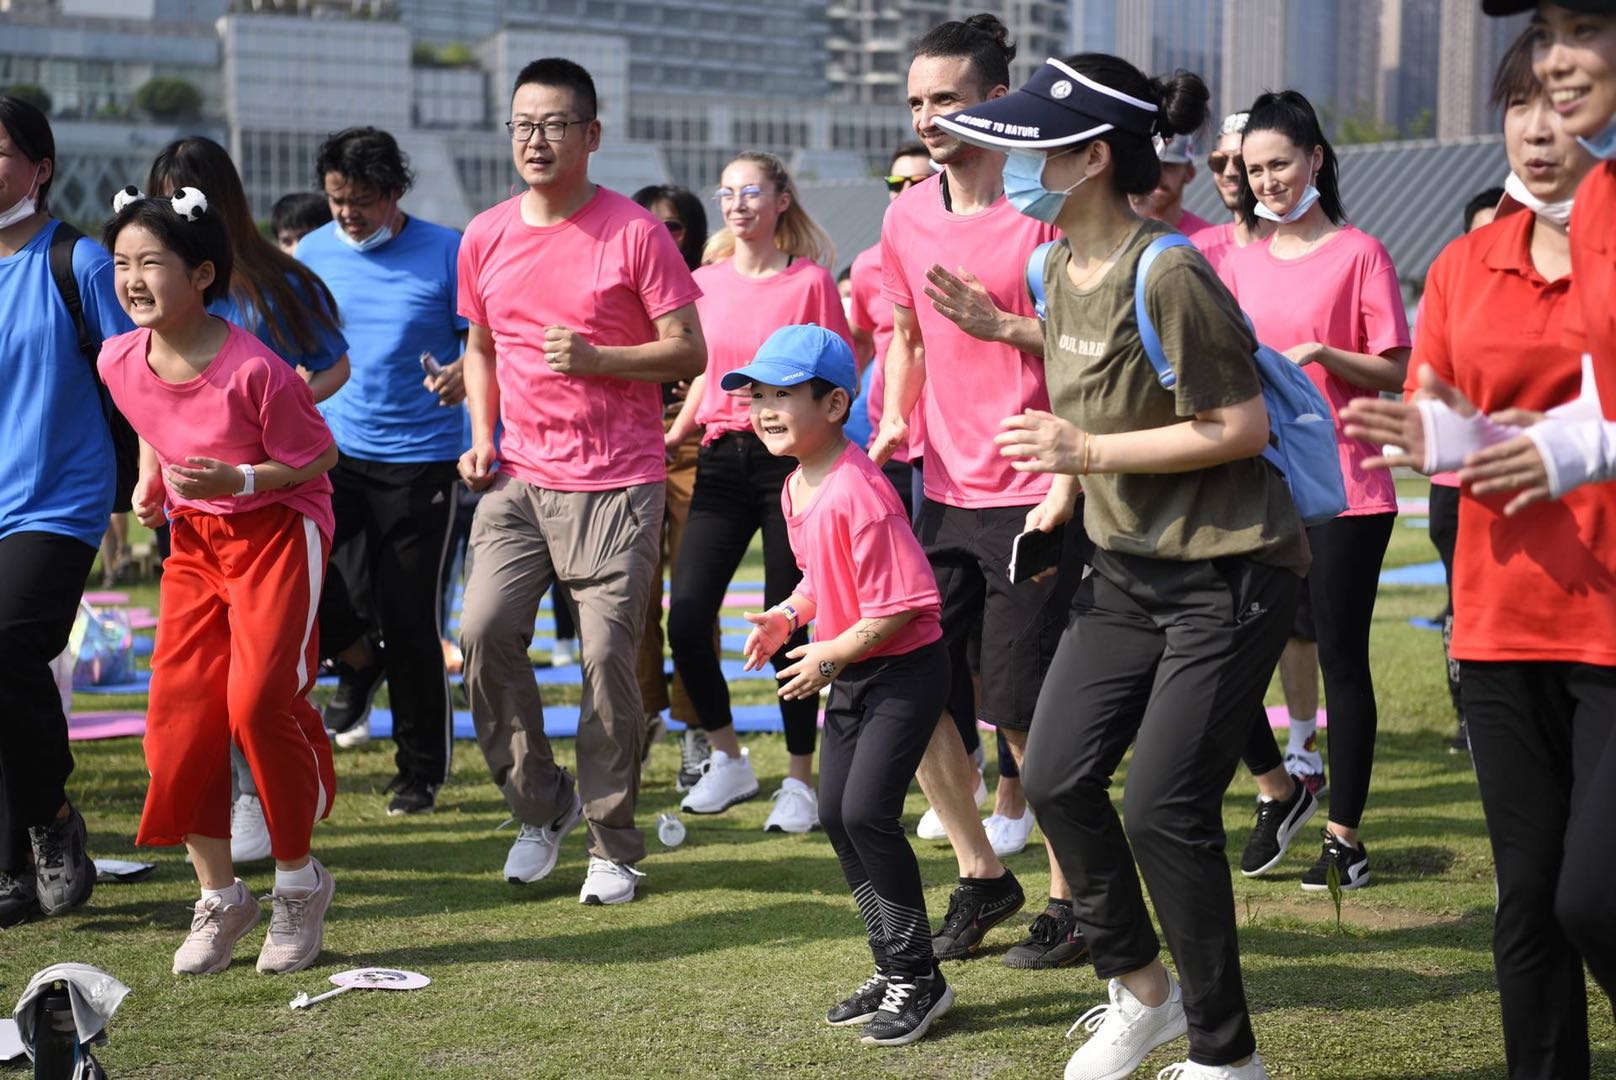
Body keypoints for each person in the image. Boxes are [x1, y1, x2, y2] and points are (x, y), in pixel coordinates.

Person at [942, 53, 1307, 1080]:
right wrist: (1061, 486)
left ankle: (1226, 1057)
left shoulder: (1171, 270)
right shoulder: (1052, 269)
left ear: (1092, 158)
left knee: (1162, 809)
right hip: (1123, 570)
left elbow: (1232, 426)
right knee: (1052, 777)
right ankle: (1144, 993)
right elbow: (1084, 390)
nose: (1011, 169)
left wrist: (1082, 457)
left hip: (1227, 575)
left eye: (1034, 151)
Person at [1345, 6, 1616, 1072]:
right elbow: (1443, 408)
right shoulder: (1462, 264)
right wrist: (1427, 431)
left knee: (1591, 894)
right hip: (1500, 619)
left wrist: (1571, 449)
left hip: (1609, 621)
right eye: (1517, 104)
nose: (1537, 128)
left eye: (1559, 102)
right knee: (1527, 901)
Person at [457, 58, 704, 905]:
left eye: (556, 123)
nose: (536, 138)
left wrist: (602, 359)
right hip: (520, 479)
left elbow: (690, 350)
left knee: (607, 659)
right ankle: (542, 805)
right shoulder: (484, 234)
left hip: (617, 480)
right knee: (484, 634)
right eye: (523, 123)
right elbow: (481, 346)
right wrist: (481, 435)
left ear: (592, 135)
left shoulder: (635, 232)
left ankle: (611, 841)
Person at [872, 13, 1089, 969]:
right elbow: (908, 334)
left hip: (1035, 489)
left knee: (1018, 708)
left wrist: (1008, 330)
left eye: (946, 99)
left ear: (996, 102)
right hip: (941, 489)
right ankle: (981, 873)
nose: (927, 118)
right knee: (906, 687)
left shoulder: (1051, 213)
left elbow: (1097, 347)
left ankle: (1071, 897)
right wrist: (893, 421)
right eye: (917, 101)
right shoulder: (906, 212)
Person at [99, 187, 339, 976]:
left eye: (151, 264)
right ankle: (222, 897)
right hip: (196, 541)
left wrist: (236, 480)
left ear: (202, 274)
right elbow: (151, 423)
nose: (132, 278)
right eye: (121, 263)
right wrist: (151, 478)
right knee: (176, 724)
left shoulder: (258, 370)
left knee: (257, 703)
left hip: (277, 529)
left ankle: (300, 885)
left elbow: (319, 457)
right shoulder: (118, 356)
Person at [727, 324, 954, 1045]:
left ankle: (920, 979)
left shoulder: (862, 490)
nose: (763, 408)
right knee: (836, 814)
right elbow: (823, 579)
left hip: (904, 671)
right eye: (756, 394)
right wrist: (787, 616)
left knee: (868, 816)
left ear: (834, 404)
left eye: (781, 395)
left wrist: (827, 656)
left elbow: (902, 604)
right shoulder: (798, 485)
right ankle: (895, 967)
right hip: (856, 668)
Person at [1220, 89, 1411, 891]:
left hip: (1347, 490)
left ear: (1316, 161)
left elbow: (1397, 372)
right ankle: (1280, 789)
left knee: (1341, 658)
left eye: (1280, 164)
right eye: (1253, 168)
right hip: (1252, 489)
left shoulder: (1360, 253)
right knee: (1218, 657)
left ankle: (1345, 837)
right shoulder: (1232, 260)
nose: (1266, 180)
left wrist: (1326, 355)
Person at [145, 135, 352, 859]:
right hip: (197, 513)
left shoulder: (276, 284)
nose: (177, 210)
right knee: (200, 683)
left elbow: (329, 370)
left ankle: (280, 790)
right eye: (164, 196)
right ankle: (244, 800)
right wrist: (150, 473)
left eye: (189, 196)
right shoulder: (158, 288)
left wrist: (287, 400)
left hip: (277, 502)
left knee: (261, 682)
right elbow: (154, 393)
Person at [664, 151, 850, 833]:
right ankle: (728, 757)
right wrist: (673, 435)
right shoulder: (702, 282)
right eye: (727, 192)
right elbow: (703, 377)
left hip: (788, 463)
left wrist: (831, 463)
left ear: (779, 202)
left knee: (788, 621)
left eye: (752, 192)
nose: (737, 203)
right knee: (685, 618)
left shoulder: (810, 282)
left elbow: (838, 373)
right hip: (717, 459)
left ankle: (799, 779)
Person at [296, 127, 468, 817]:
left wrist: (464, 373)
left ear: (394, 192)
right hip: (332, 455)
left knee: (411, 619)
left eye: (361, 201)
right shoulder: (310, 254)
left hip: (422, 463)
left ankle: (420, 770)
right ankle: (357, 659)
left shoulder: (447, 251)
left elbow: (484, 345)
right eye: (337, 199)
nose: (347, 213)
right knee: (299, 586)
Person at [0, 95, 127, 928]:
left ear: (40, 168)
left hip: (57, 500)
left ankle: (48, 824)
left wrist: (147, 485)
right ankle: (15, 859)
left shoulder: (76, 262)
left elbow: (135, 374)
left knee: (7, 640)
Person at [628, 183, 712, 785]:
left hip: (694, 446)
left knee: (691, 599)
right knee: (626, 598)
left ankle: (696, 725)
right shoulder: (615, 281)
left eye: (674, 226)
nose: (661, 234)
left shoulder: (711, 287)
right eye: (649, 223)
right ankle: (638, 717)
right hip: (626, 443)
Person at [1429, 184, 1506, 757]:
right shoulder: (1452, 290)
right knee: (1464, 604)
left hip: (1522, 478)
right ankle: (1468, 718)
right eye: (1478, 230)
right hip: (1455, 486)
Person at [847, 142, 932, 518]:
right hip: (890, 437)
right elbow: (861, 341)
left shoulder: (963, 250)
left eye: (919, 181)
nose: (904, 191)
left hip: (948, 440)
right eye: (896, 182)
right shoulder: (866, 266)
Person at [1130, 128, 1228, 260]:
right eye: (1150, 165)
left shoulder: (1213, 242)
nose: (1157, 175)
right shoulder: (1117, 233)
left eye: (1168, 165)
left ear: (1189, 173)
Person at [1191, 112, 1269, 272]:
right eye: (1219, 161)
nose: (1229, 172)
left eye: (1241, 161)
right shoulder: (1198, 249)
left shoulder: (1293, 249)